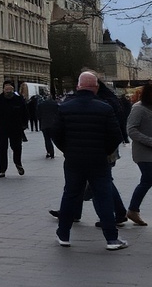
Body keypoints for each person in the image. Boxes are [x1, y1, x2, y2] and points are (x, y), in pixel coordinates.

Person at [51, 71, 128, 249]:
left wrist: (67, 150)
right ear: (95, 87)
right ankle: (111, 239)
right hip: (98, 161)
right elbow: (116, 135)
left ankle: (63, 235)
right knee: (104, 197)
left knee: (70, 195)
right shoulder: (104, 108)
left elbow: (56, 134)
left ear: (78, 86)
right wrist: (104, 151)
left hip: (73, 160)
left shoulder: (65, 107)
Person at [125, 82, 152, 226]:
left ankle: (133, 210)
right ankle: (133, 210)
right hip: (143, 153)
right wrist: (149, 141)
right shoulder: (138, 108)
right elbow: (131, 130)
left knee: (148, 180)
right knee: (148, 179)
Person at [0, 80, 28, 176]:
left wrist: (24, 124)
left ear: (13, 90)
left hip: (16, 128)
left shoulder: (19, 100)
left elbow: (25, 113)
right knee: (2, 148)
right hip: (1, 128)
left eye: (10, 89)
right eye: (6, 89)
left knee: (17, 147)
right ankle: (2, 169)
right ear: (3, 89)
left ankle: (18, 163)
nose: (8, 91)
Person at [37, 95, 59, 159]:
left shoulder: (41, 105)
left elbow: (38, 115)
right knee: (54, 139)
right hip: (54, 123)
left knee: (47, 139)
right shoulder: (55, 104)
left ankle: (49, 151)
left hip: (44, 124)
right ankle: (53, 151)